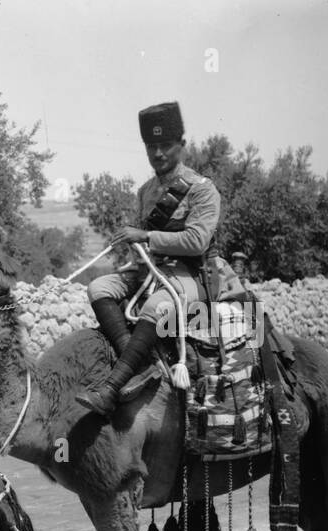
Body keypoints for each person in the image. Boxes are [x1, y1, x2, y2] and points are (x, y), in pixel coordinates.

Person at [77, 101, 223, 416]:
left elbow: (197, 241)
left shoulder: (202, 190)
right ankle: (140, 365)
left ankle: (112, 388)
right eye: (151, 146)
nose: (158, 153)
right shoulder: (145, 191)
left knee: (157, 307)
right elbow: (142, 243)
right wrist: (135, 253)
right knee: (98, 287)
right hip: (149, 273)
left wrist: (144, 237)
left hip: (189, 277)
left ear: (182, 145)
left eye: (165, 145)